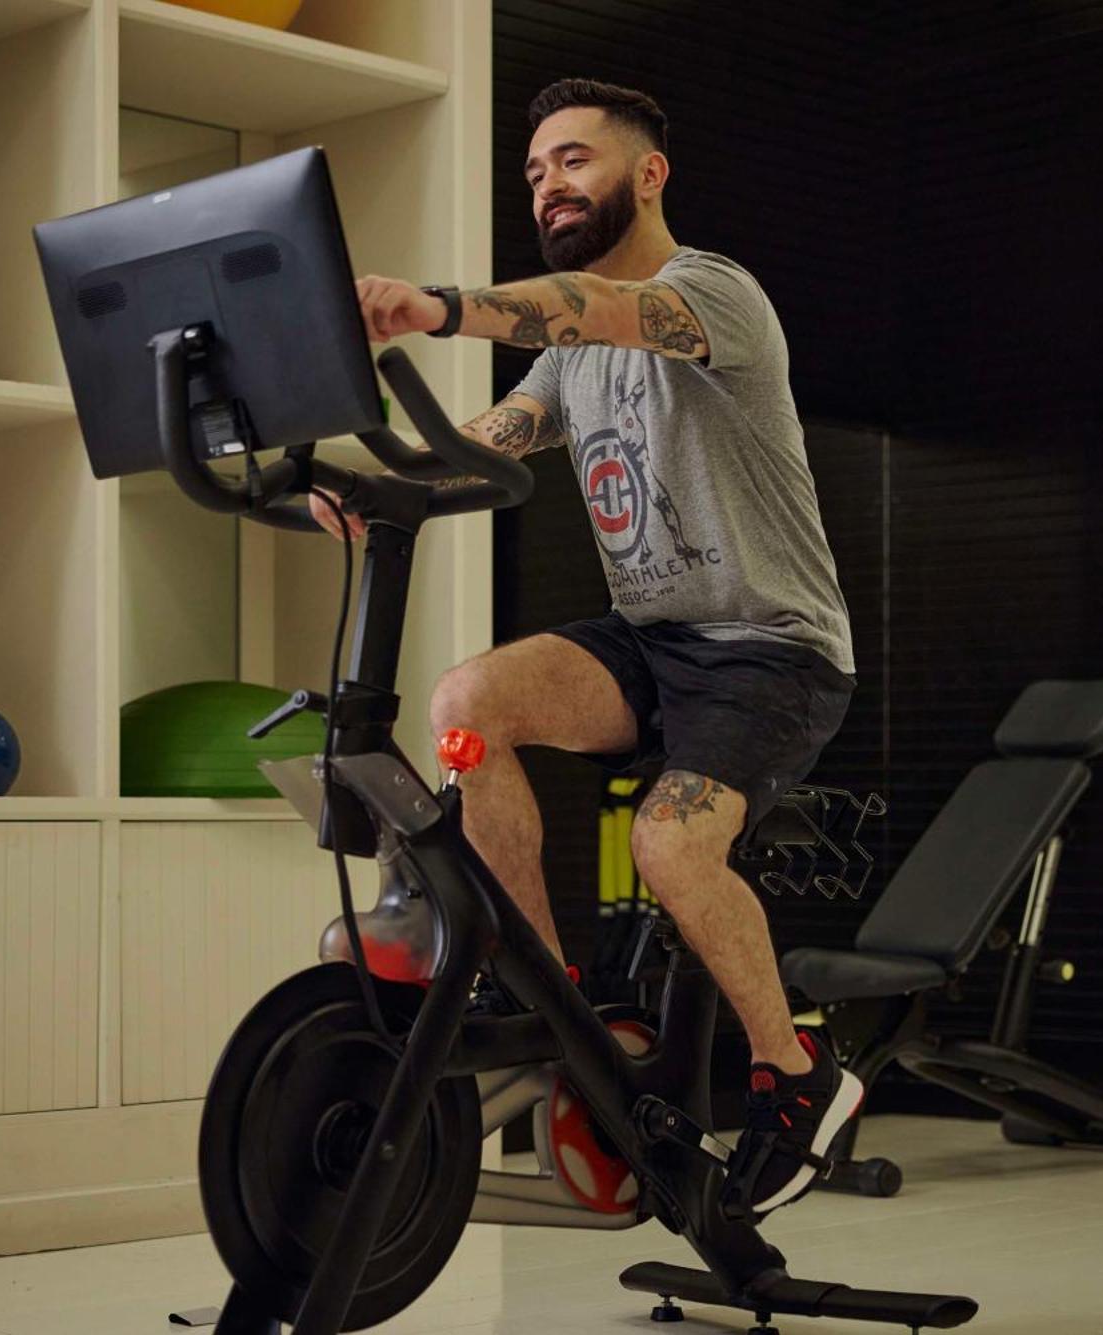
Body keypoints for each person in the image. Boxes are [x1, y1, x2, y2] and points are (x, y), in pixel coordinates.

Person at [312, 78, 858, 1215]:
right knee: (470, 700)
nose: (547, 185)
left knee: (668, 848)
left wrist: (436, 306)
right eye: (533, 173)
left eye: (571, 160)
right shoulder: (569, 359)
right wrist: (364, 483)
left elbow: (577, 309)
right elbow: (487, 439)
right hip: (653, 640)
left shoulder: (708, 294)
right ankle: (549, 995)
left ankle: (799, 1076)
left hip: (771, 647)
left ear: (646, 173)